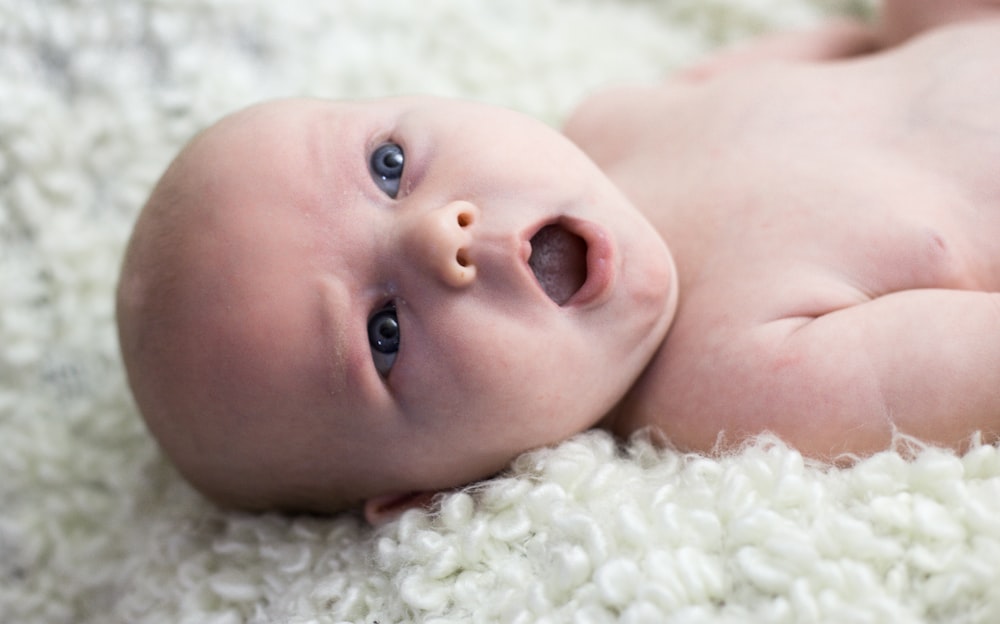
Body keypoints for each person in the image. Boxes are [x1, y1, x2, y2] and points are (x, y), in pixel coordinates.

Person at [116, 0, 1000, 524]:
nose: (441, 237)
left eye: (388, 167)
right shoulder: (736, 386)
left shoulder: (614, 117)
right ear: (428, 495)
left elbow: (846, 47)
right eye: (384, 335)